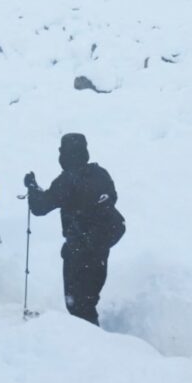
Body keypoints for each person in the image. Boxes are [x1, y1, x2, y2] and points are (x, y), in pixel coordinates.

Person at [24, 133, 125, 326]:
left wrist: (32, 187)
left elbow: (40, 207)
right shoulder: (100, 173)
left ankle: (90, 347)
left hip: (79, 252)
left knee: (78, 305)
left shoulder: (67, 180)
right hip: (101, 247)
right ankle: (94, 343)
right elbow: (112, 198)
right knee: (89, 301)